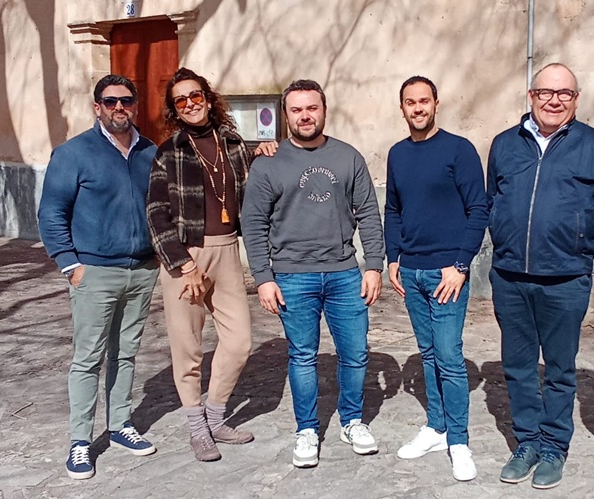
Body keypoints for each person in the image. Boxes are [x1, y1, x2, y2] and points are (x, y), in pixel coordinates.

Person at [487, 63, 594, 489]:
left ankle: (554, 448)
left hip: (565, 279)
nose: (554, 100)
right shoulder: (505, 144)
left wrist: (582, 247)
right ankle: (527, 442)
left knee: (561, 369)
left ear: (576, 100)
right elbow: (492, 199)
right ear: (531, 96)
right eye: (546, 92)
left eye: (565, 93)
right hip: (509, 275)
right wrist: (503, 236)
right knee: (518, 366)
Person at [241, 79, 385, 469]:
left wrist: (373, 265)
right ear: (285, 115)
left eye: (312, 108)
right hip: (292, 276)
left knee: (355, 353)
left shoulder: (348, 157)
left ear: (324, 110)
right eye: (296, 109)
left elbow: (369, 214)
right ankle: (306, 429)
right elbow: (253, 223)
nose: (305, 116)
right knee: (302, 356)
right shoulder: (268, 163)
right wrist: (263, 277)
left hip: (344, 273)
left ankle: (352, 421)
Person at [38, 74, 159, 480]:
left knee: (126, 353)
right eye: (110, 101)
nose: (118, 108)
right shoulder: (73, 154)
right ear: (97, 107)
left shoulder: (149, 152)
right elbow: (51, 213)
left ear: (135, 105)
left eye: (126, 100)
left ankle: (121, 424)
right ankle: (80, 441)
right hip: (94, 273)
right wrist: (70, 265)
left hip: (141, 270)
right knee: (88, 358)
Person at [146, 67, 261, 462]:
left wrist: (267, 151)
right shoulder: (169, 152)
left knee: (239, 341)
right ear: (174, 110)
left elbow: (252, 182)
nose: (190, 104)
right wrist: (183, 264)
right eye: (181, 100)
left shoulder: (234, 144)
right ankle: (198, 430)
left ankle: (215, 416)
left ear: (209, 100)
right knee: (188, 348)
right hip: (186, 257)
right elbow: (156, 213)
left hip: (227, 250)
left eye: (196, 96)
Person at [383, 76, 488, 481]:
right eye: (410, 102)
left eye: (424, 101)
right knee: (428, 354)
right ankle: (437, 427)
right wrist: (393, 257)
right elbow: (393, 209)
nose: (418, 108)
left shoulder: (459, 150)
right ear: (402, 108)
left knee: (449, 357)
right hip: (411, 271)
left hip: (447, 274)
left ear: (436, 104)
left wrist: (461, 265)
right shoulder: (397, 154)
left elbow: (478, 209)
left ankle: (459, 440)